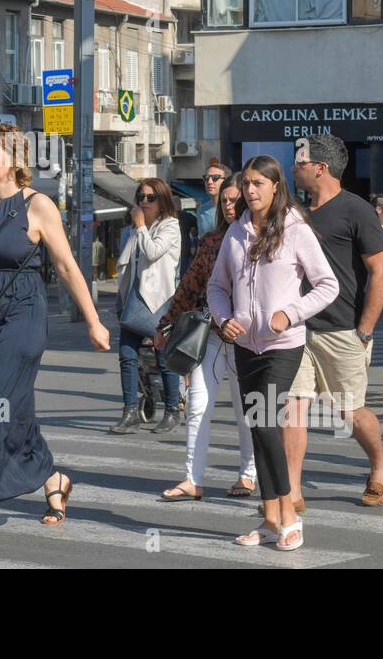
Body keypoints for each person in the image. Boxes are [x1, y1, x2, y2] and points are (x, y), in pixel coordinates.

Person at [0, 124, 110, 544]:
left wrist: (93, 320)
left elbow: (69, 267)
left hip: (25, 313)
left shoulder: (38, 206)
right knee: (11, 411)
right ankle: (54, 479)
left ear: (16, 160)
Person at [207, 156, 338, 552]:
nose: (250, 191)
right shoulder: (236, 231)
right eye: (246, 184)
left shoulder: (296, 230)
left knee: (265, 425)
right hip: (245, 345)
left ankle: (290, 515)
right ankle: (268, 519)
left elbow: (327, 285)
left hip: (283, 345)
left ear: (276, 187)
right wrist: (224, 318)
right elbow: (216, 285)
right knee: (258, 429)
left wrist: (289, 313)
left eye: (258, 184)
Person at [286, 134, 383, 510]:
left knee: (349, 411)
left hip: (342, 328)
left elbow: (380, 271)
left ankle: (380, 463)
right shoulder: (295, 212)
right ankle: (292, 491)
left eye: (300, 162)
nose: (294, 167)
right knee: (293, 407)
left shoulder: (356, 210)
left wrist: (365, 329)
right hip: (297, 327)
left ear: (321, 167)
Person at [155, 173, 257, 500]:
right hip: (211, 335)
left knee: (246, 411)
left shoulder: (260, 237)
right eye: (224, 200)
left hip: (247, 338)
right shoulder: (212, 241)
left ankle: (248, 474)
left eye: (234, 199)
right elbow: (190, 284)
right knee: (198, 405)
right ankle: (192, 479)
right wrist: (167, 322)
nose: (228, 205)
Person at [110, 177, 182, 434]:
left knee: (164, 358)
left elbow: (152, 252)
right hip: (134, 300)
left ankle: (173, 410)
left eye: (150, 197)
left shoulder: (171, 226)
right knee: (126, 356)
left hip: (160, 301)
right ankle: (130, 411)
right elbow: (126, 265)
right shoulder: (132, 230)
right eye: (140, 196)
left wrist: (140, 227)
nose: (143, 201)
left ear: (161, 201)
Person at [195, 159, 230, 237]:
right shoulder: (201, 210)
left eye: (215, 178)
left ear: (227, 181)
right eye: (206, 178)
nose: (210, 182)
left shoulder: (234, 208)